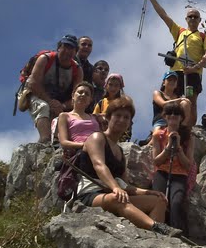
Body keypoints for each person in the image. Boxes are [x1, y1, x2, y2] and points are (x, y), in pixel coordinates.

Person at [76, 96, 180, 237]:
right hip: (91, 194)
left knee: (159, 201)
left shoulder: (119, 151)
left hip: (113, 193)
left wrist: (148, 192)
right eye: (117, 115)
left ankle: (153, 239)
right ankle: (157, 228)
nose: (122, 120)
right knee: (117, 198)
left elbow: (126, 186)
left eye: (126, 117)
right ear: (108, 118)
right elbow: (99, 165)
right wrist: (115, 188)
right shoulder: (97, 138)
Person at [144, 0, 206, 126]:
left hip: (193, 73)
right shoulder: (180, 32)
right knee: (172, 98)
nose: (193, 19)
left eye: (195, 17)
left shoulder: (203, 37)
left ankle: (188, 128)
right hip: (176, 72)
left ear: (200, 20)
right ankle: (166, 125)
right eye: (190, 16)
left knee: (191, 100)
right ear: (186, 19)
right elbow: (163, 15)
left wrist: (195, 68)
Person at [27, 34, 84, 143]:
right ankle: (45, 141)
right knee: (43, 107)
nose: (67, 51)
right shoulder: (45, 59)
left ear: (75, 52)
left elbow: (76, 95)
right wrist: (50, 102)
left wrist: (62, 105)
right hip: (36, 93)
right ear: (59, 48)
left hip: (58, 101)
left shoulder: (77, 70)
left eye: (71, 48)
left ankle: (52, 143)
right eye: (65, 47)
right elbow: (33, 83)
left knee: (64, 116)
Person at [151, 103, 194, 233]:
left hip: (180, 173)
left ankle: (179, 233)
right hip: (162, 172)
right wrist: (169, 146)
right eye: (169, 113)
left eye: (177, 114)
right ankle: (158, 230)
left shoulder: (188, 137)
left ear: (181, 117)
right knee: (159, 200)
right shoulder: (158, 134)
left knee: (176, 202)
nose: (173, 116)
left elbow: (188, 164)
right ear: (165, 117)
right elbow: (156, 161)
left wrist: (179, 148)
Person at [57, 82, 100, 157]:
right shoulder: (64, 116)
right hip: (81, 151)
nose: (83, 95)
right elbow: (64, 142)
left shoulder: (94, 117)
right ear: (73, 95)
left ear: (90, 100)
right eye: (80, 92)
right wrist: (85, 145)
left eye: (87, 94)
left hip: (99, 148)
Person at [93, 73, 131, 141]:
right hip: (102, 130)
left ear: (120, 87)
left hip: (119, 132)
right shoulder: (102, 102)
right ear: (106, 86)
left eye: (116, 85)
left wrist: (106, 115)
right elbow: (94, 116)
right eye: (110, 85)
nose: (113, 88)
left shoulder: (123, 102)